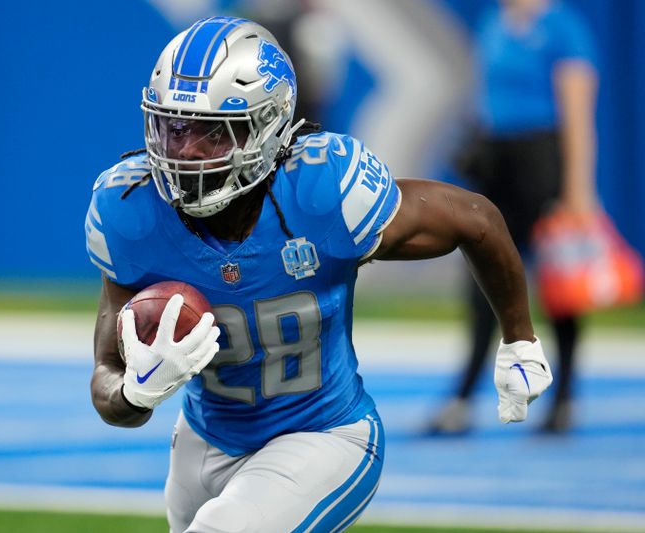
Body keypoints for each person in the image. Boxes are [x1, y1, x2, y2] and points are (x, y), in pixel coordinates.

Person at [85, 16, 552, 532]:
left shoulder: (322, 191)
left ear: (267, 126)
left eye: (212, 132)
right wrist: (137, 392)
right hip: (204, 439)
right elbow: (107, 384)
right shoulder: (130, 209)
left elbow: (476, 219)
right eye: (174, 127)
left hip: (325, 436)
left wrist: (520, 340)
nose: (185, 151)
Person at [429, 0, 599, 435]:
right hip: (496, 161)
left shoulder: (563, 28)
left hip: (541, 160)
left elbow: (578, 112)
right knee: (484, 279)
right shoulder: (495, 23)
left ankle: (563, 400)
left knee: (558, 286)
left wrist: (578, 188)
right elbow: (486, 94)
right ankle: (463, 398)